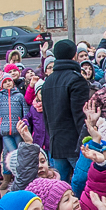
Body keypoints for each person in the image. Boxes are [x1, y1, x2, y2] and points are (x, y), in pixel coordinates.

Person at [41, 38, 91, 179]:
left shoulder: (48, 81)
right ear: (74, 55)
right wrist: (85, 141)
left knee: (60, 188)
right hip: (75, 144)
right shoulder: (76, 79)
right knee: (82, 184)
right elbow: (80, 115)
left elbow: (46, 116)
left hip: (56, 143)